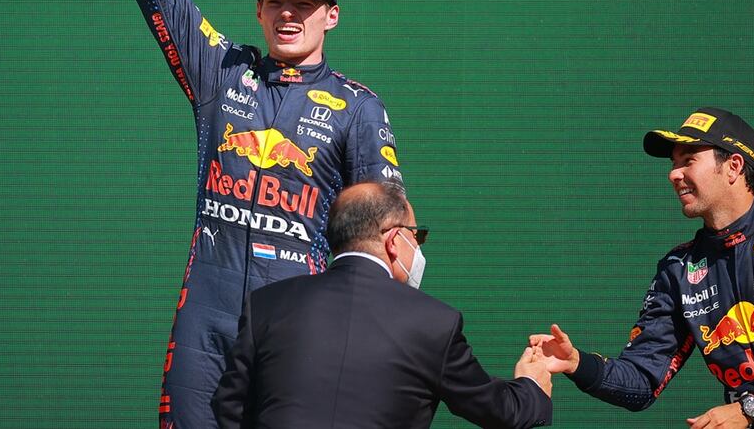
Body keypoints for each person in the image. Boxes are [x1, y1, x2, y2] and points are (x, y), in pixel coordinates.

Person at [106, 0, 406, 428]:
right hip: (205, 317)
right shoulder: (223, 72)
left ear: (332, 16)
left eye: (305, 4)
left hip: (300, 321)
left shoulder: (358, 106)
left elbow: (391, 234)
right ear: (260, 10)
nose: (289, 15)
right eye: (277, 2)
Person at [531, 107, 754, 428]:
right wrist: (577, 363)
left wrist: (750, 407)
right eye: (672, 163)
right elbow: (640, 381)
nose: (673, 174)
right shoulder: (678, 269)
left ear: (734, 166)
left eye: (688, 161)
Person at [212, 181, 554, 428]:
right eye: (417, 236)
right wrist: (532, 384)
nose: (419, 248)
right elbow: (499, 411)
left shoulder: (268, 304)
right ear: (393, 239)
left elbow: (229, 406)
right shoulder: (434, 323)